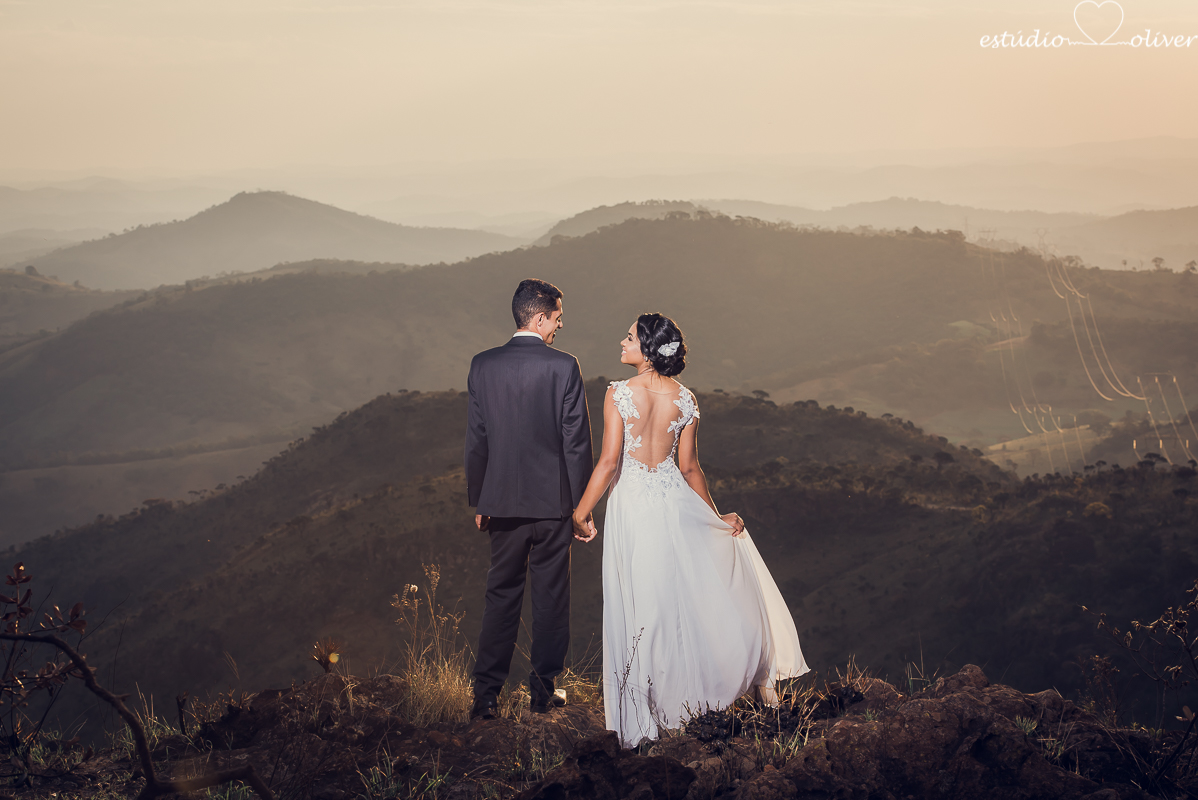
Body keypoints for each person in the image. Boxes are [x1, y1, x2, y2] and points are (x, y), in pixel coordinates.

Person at [571, 313, 809, 747]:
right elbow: (689, 468)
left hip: (634, 508)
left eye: (628, 337)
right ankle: (692, 699)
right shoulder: (686, 399)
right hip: (674, 503)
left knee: (642, 603)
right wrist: (714, 520)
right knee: (679, 599)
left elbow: (608, 463)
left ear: (646, 349)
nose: (621, 342)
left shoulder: (618, 393)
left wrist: (581, 512)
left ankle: (647, 714)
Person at [465, 279, 595, 720]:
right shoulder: (564, 367)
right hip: (554, 505)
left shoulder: (482, 365)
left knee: (500, 596)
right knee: (551, 597)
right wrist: (582, 508)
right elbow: (575, 442)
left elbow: (478, 439)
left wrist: (480, 499)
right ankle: (543, 690)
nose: (559, 326)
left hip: (500, 503)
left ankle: (485, 696)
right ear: (539, 318)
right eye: (557, 319)